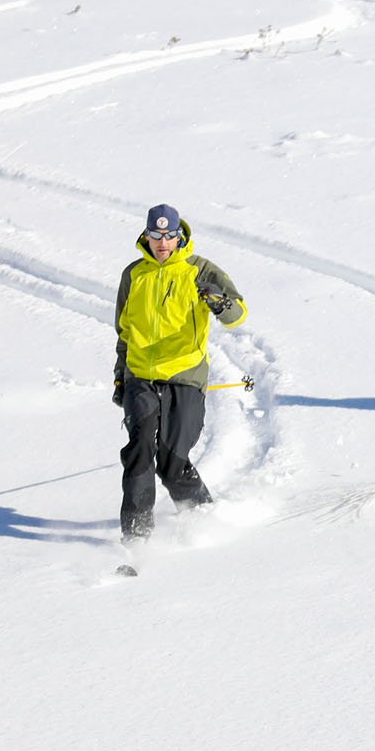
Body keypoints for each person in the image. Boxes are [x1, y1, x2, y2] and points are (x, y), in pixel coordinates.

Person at [112, 203, 248, 541]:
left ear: (179, 235)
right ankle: (136, 538)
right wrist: (120, 375)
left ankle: (203, 518)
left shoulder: (200, 270)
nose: (162, 242)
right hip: (139, 376)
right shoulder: (133, 274)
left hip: (185, 376)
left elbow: (238, 315)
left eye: (169, 235)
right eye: (155, 235)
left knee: (172, 462)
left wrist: (219, 303)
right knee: (139, 451)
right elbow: (124, 331)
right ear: (146, 235)